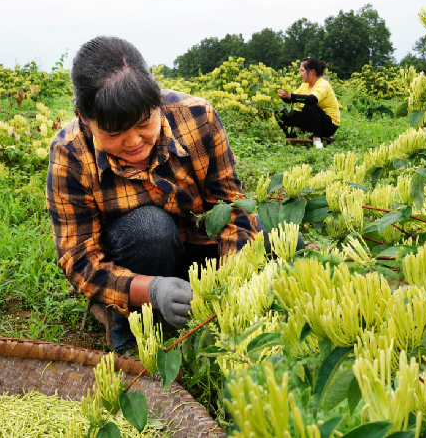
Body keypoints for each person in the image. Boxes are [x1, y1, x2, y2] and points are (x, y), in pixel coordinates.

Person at [47, 37, 297, 354]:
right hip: (138, 262)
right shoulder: (70, 152)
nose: (135, 142)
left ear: (156, 99)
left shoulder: (197, 117)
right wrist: (153, 290)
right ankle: (130, 329)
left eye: (144, 123)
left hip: (202, 247)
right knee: (151, 230)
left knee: (281, 239)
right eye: (114, 133)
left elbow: (231, 208)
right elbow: (79, 261)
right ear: (84, 117)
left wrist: (229, 282)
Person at [277, 57, 340, 149]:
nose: (300, 74)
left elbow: (312, 99)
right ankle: (291, 138)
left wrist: (290, 96)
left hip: (329, 125)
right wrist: (283, 95)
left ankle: (317, 139)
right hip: (311, 121)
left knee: (309, 107)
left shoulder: (323, 84)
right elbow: (293, 97)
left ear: (312, 72)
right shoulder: (305, 85)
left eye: (302, 71)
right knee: (281, 112)